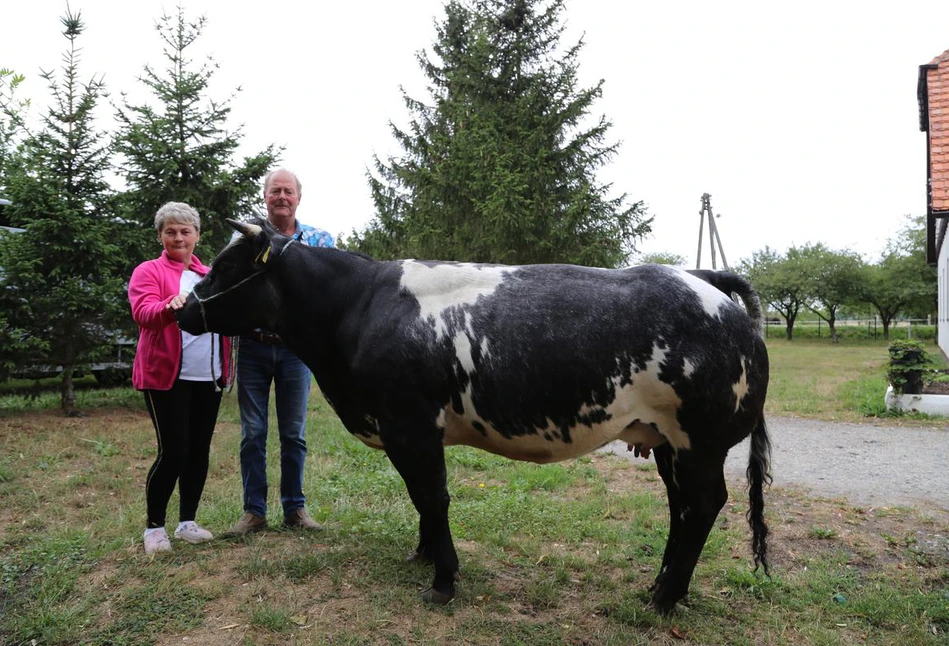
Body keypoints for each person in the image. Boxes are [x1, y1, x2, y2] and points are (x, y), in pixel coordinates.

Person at [227, 168, 334, 535]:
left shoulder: (319, 240)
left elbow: (327, 292)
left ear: (298, 198)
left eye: (288, 191)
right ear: (265, 197)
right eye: (275, 191)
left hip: (295, 351)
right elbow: (233, 284)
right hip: (254, 347)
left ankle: (295, 509)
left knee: (294, 433)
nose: (282, 197)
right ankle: (254, 512)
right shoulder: (243, 238)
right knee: (252, 432)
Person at [129, 201, 232, 555]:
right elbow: (143, 312)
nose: (178, 237)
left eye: (185, 231)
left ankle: (187, 521)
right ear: (160, 235)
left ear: (197, 236)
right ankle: (154, 527)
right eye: (170, 231)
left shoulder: (209, 275)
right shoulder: (149, 271)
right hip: (166, 377)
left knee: (199, 451)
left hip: (208, 376)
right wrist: (168, 306)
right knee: (173, 451)